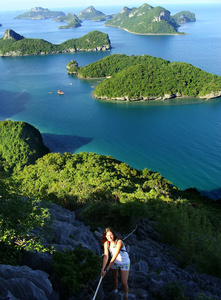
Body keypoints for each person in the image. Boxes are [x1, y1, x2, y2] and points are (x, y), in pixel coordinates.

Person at [101, 227, 130, 300]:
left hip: (124, 262)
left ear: (113, 234)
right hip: (115, 262)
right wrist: (103, 269)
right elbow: (106, 256)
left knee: (124, 282)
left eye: (111, 235)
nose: (109, 237)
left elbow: (114, 257)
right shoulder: (106, 243)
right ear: (105, 236)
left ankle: (125, 298)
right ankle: (115, 291)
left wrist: (106, 270)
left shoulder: (119, 242)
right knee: (114, 277)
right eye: (107, 236)